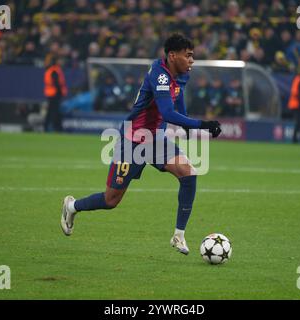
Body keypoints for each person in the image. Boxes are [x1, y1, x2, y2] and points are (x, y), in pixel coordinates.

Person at [60, 34, 222, 255]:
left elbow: (179, 95)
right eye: (188, 56)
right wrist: (202, 124)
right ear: (173, 56)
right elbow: (166, 112)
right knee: (111, 200)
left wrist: (186, 123)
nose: (192, 60)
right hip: (133, 139)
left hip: (155, 139)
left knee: (188, 172)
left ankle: (179, 235)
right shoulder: (160, 75)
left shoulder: (181, 74)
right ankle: (71, 207)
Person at [44, 57, 67, 132]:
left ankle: (47, 126)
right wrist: (60, 92)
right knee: (54, 111)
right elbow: (56, 83)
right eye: (60, 60)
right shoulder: (55, 71)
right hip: (54, 94)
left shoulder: (52, 70)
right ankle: (55, 127)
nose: (62, 62)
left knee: (51, 111)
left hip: (52, 94)